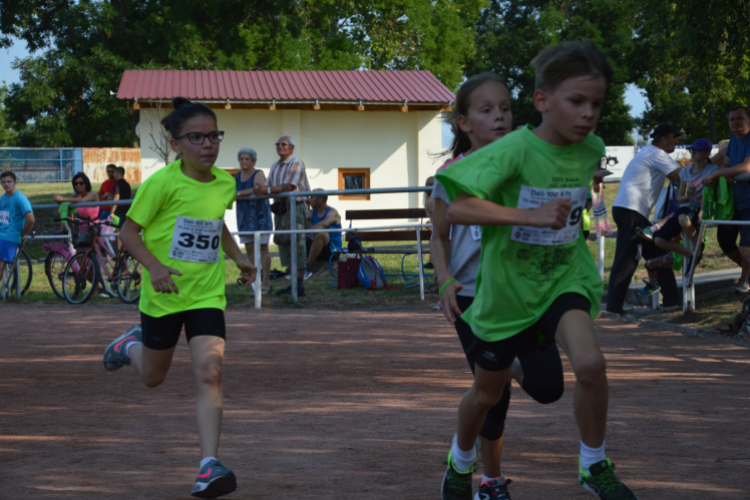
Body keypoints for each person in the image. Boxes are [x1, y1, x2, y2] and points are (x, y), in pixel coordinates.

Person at [436, 41, 638, 499]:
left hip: (564, 279)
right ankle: (460, 460)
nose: (588, 113)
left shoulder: (593, 149)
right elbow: (459, 209)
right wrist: (529, 216)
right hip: (506, 294)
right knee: (486, 395)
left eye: (597, 103)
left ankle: (593, 464)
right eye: (576, 101)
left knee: (591, 363)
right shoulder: (511, 150)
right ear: (543, 100)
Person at [101, 97, 256, 499]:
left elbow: (215, 223)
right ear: (176, 145)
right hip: (164, 295)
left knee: (211, 372)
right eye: (196, 138)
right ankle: (129, 345)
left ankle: (208, 466)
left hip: (206, 294)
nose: (208, 145)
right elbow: (128, 232)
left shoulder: (224, 183)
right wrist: (154, 268)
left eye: (213, 136)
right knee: (153, 378)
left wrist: (238, 257)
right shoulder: (162, 183)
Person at [431, 72, 565, 500]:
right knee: (493, 398)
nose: (500, 117)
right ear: (464, 122)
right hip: (472, 297)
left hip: (525, 294)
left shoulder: (528, 164)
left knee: (547, 388)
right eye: (486, 110)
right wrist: (445, 280)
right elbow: (439, 236)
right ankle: (488, 481)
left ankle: (504, 375)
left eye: (505, 108)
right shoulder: (450, 175)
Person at [606, 124, 683, 314]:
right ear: (663, 139)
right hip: (631, 211)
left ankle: (672, 300)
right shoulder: (657, 154)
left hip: (630, 210)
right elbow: (680, 176)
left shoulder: (649, 152)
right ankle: (613, 309)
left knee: (658, 252)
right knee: (627, 260)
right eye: (673, 137)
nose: (677, 141)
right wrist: (707, 168)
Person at [256, 135, 311, 296]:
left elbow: (289, 186)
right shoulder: (275, 165)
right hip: (281, 209)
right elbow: (268, 186)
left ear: (292, 148)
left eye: (284, 144)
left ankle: (299, 287)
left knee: (298, 246)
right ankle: (293, 285)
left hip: (296, 207)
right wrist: (260, 190)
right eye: (278, 144)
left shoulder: (296, 163)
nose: (280, 146)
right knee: (284, 245)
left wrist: (265, 190)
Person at [703, 106, 750, 292]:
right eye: (732, 119)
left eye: (740, 118)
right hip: (737, 201)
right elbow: (728, 163)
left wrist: (721, 173)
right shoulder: (733, 139)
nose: (735, 122)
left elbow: (746, 168)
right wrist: (725, 172)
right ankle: (745, 278)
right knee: (725, 239)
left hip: (748, 203)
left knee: (746, 248)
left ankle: (744, 279)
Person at [653, 139, 718, 268]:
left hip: (700, 209)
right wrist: (689, 196)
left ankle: (697, 249)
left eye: (697, 150)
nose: (692, 152)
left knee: (683, 218)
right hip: (686, 208)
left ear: (707, 153)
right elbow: (680, 198)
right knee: (659, 240)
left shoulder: (713, 170)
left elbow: (712, 195)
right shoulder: (685, 171)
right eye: (691, 149)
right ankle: (691, 255)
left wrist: (702, 212)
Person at [235, 147, 273, 294]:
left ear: (253, 161)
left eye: (247, 159)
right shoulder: (237, 176)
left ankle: (266, 283)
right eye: (241, 159)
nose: (244, 161)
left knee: (263, 250)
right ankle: (255, 282)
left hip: (259, 216)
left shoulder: (258, 173)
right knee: (250, 251)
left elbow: (258, 189)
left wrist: (238, 193)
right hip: (244, 217)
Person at [0, 171, 35, 278]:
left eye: (9, 182)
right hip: (2, 233)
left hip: (11, 236)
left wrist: (22, 234)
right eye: (4, 182)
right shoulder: (2, 198)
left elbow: (31, 219)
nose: (6, 184)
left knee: (1, 263)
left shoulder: (20, 198)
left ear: (15, 183)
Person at [305, 188, 342, 273]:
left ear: (320, 200)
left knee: (321, 233)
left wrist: (306, 231)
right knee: (295, 234)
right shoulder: (312, 212)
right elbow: (299, 216)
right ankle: (292, 267)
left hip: (332, 251)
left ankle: (307, 267)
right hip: (317, 247)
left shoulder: (333, 212)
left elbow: (323, 225)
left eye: (311, 197)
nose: (309, 199)